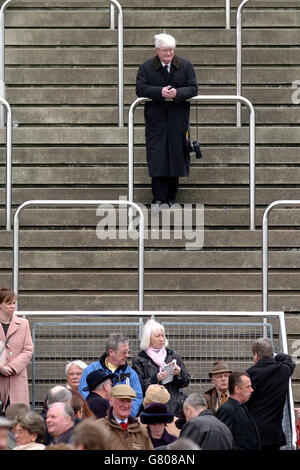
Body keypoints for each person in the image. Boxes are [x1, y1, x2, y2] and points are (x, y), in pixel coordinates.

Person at [136, 32, 198, 209]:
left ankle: (171, 197)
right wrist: (160, 92)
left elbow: (193, 88)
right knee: (158, 158)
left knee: (176, 156)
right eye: (165, 51)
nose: (169, 54)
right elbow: (140, 88)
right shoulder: (147, 67)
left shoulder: (185, 65)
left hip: (178, 119)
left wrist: (178, 93)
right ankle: (158, 198)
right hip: (157, 120)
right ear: (157, 51)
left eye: (171, 50)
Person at [245, 337, 295, 451]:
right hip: (274, 434)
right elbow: (289, 359)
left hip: (253, 432)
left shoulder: (250, 374)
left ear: (256, 356)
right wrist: (275, 356)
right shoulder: (282, 370)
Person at [132, 319, 190, 416]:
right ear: (148, 338)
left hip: (174, 406)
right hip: (151, 407)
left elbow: (186, 382)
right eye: (157, 336)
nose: (161, 339)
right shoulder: (140, 359)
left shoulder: (173, 355)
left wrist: (180, 373)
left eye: (163, 336)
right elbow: (138, 387)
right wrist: (156, 379)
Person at [79, 333, 143, 417]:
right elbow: (84, 394)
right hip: (95, 420)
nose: (127, 355)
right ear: (111, 352)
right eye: (123, 352)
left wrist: (124, 416)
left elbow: (137, 398)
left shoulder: (131, 374)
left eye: (128, 352)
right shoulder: (90, 370)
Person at [0, 287, 33, 412]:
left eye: (14, 303)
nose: (12, 306)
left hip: (16, 378)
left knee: (18, 418)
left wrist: (11, 367)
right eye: (8, 303)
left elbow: (28, 350)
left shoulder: (23, 324)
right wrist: (1, 367)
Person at [97, 384, 153, 450]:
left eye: (129, 401)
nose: (126, 405)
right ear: (111, 401)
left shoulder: (141, 431)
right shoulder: (97, 429)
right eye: (122, 400)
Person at [216, 371, 261, 450]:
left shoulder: (242, 407)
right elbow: (222, 440)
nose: (252, 390)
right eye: (248, 387)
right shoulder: (226, 410)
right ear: (237, 389)